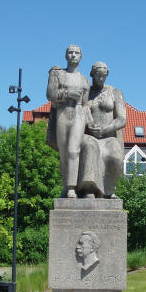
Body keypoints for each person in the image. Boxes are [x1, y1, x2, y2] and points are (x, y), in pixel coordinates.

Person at [77, 62, 126, 198]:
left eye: (103, 76)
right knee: (90, 146)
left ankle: (108, 190)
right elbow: (81, 111)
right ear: (92, 74)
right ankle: (89, 189)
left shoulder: (115, 93)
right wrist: (90, 124)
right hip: (89, 134)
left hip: (108, 136)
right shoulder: (86, 93)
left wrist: (105, 129)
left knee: (115, 154)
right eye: (98, 75)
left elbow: (122, 119)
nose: (101, 79)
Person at [46, 45, 90, 198]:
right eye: (70, 52)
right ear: (66, 56)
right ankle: (66, 185)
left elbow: (86, 103)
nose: (73, 55)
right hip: (63, 112)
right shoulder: (57, 74)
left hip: (78, 113)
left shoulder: (85, 80)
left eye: (76, 53)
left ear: (81, 56)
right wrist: (67, 93)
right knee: (64, 153)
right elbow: (50, 94)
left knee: (73, 150)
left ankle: (72, 187)